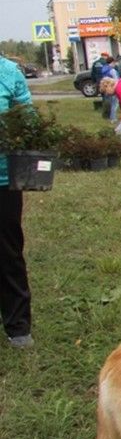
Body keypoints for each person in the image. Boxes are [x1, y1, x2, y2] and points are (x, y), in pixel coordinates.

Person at [0, 56, 36, 348]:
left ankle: (18, 326)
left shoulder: (8, 72)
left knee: (8, 251)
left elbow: (28, 119)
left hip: (3, 180)